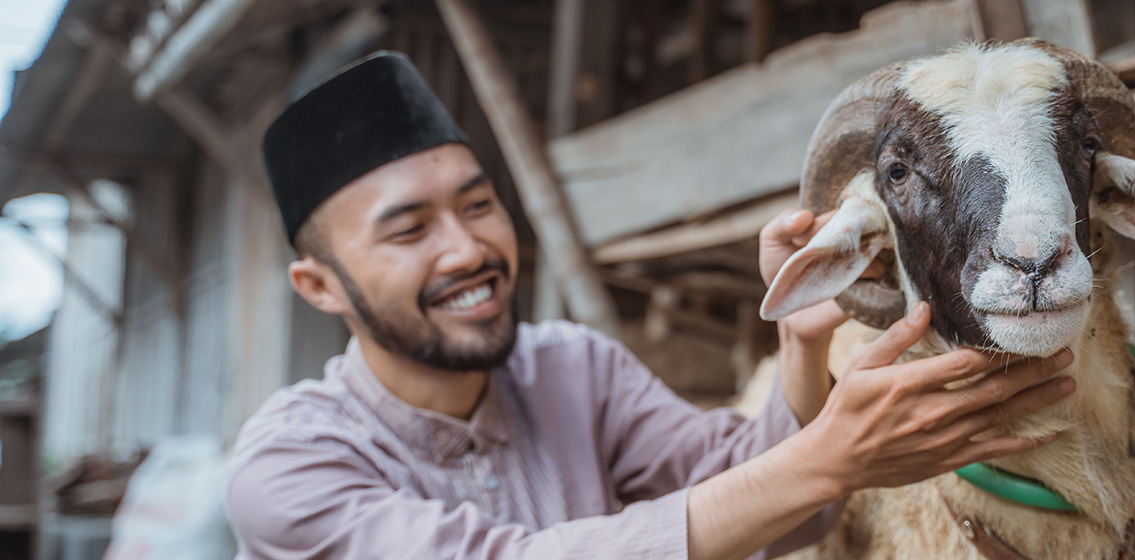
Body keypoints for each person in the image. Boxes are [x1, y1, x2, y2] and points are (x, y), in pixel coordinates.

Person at [226, 51, 1076, 560]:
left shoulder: (570, 366)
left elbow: (762, 499)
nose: (467, 248)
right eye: (408, 229)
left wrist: (801, 342)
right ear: (320, 286)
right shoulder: (287, 469)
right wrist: (829, 458)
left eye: (478, 204)